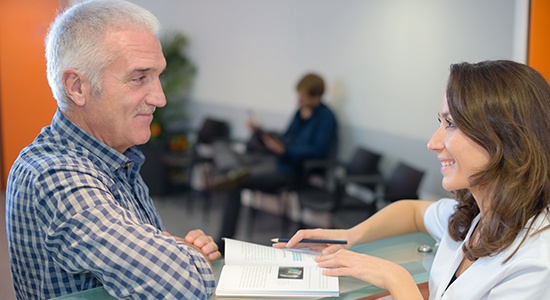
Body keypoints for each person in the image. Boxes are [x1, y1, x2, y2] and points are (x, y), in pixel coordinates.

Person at [275, 60, 550, 299]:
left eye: (451, 124)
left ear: (505, 139)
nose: (433, 142)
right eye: (440, 122)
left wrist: (396, 278)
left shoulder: (536, 263)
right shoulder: (475, 217)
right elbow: (413, 213)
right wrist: (349, 236)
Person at [5, 1, 220, 299]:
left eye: (157, 76)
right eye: (139, 78)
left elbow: (153, 260)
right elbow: (180, 285)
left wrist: (175, 251)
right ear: (77, 87)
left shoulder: (116, 158)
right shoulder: (55, 176)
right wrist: (187, 258)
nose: (160, 98)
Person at [214, 73, 338, 251]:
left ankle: (223, 241)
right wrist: (262, 132)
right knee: (220, 146)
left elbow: (318, 151)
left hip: (291, 170)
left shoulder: (327, 118)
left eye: (303, 97)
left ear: (316, 97)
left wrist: (286, 151)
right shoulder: (299, 113)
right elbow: (286, 137)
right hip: (273, 159)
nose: (299, 100)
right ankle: (234, 171)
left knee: (235, 183)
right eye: (298, 96)